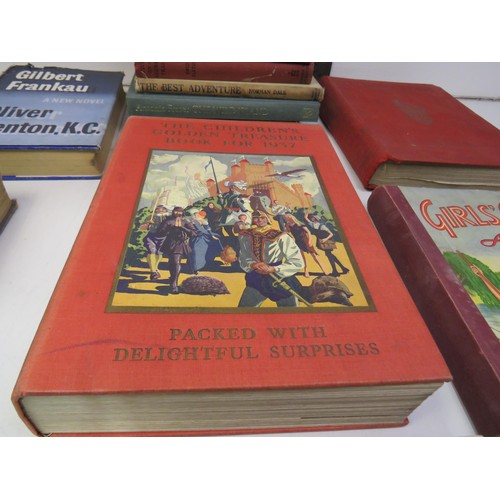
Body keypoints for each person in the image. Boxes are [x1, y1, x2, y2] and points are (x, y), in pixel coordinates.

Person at [237, 210, 306, 307]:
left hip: (279, 279)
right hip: (256, 279)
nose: (259, 220)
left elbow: (297, 261)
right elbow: (244, 256)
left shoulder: (282, 236)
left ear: (267, 219)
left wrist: (273, 269)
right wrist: (252, 264)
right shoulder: (245, 235)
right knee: (244, 310)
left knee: (290, 313)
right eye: (256, 218)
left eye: (262, 217)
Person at [157, 206, 197, 293]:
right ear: (173, 212)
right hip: (170, 243)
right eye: (176, 211)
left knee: (176, 262)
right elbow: (159, 232)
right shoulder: (167, 221)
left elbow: (194, 233)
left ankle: (174, 284)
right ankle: (172, 278)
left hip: (180, 244)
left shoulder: (186, 221)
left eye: (180, 211)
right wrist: (169, 229)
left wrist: (182, 228)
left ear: (182, 212)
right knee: (172, 263)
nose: (178, 213)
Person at [304, 210, 349, 277]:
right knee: (330, 255)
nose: (312, 218)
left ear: (315, 219)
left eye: (313, 217)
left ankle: (335, 271)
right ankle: (343, 269)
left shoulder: (322, 226)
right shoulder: (313, 224)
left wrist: (325, 239)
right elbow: (306, 218)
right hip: (322, 242)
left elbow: (331, 234)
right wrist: (307, 213)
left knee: (329, 255)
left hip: (327, 241)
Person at [283, 213, 328, 277]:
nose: (285, 219)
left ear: (290, 217)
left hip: (305, 240)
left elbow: (308, 232)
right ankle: (306, 270)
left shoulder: (299, 223)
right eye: (285, 218)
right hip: (298, 241)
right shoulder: (288, 225)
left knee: (315, 256)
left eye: (286, 217)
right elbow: (287, 231)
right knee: (302, 257)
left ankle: (324, 270)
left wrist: (310, 241)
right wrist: (285, 227)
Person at [140, 204, 169, 280]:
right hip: (152, 237)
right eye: (158, 209)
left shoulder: (168, 217)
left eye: (162, 209)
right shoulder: (151, 217)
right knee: (151, 252)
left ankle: (155, 268)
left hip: (163, 238)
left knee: (159, 253)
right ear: (155, 209)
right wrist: (148, 224)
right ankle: (153, 272)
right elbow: (142, 228)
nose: (160, 210)